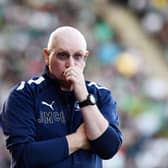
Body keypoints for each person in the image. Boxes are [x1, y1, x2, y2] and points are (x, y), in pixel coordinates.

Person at [0, 26, 122, 168]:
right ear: (47, 56)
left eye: (77, 56)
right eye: (62, 55)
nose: (70, 64)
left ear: (85, 58)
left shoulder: (101, 95)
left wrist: (83, 96)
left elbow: (109, 148)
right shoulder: (24, 94)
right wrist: (78, 139)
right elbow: (23, 156)